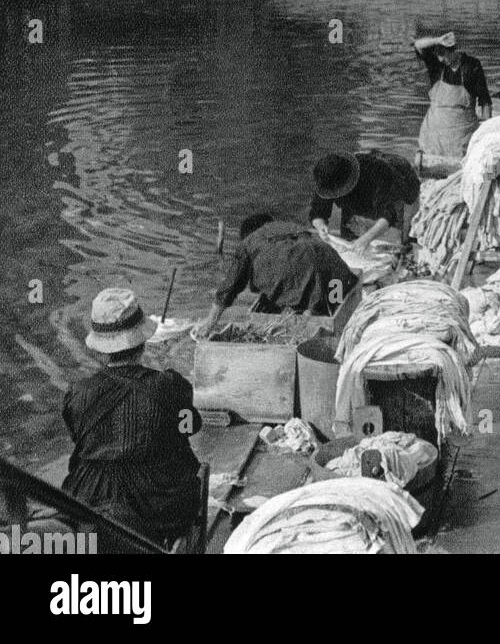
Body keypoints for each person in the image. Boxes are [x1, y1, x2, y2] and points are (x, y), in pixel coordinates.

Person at [62, 288, 202, 549]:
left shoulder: (77, 393)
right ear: (142, 339)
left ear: (102, 347)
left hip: (89, 496)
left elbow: (77, 436)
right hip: (156, 502)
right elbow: (190, 426)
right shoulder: (168, 385)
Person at [197, 213, 357, 337]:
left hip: (306, 276)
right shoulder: (287, 227)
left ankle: (311, 313)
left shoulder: (248, 242)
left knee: (300, 290)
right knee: (330, 299)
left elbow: (229, 287)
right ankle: (317, 311)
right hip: (337, 272)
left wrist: (209, 324)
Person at [309, 151, 421, 253]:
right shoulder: (326, 178)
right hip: (359, 200)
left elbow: (389, 213)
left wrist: (367, 238)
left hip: (401, 188)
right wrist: (320, 225)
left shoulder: (376, 171)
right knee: (350, 240)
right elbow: (318, 211)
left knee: (400, 243)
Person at [412, 31, 492, 160]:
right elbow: (418, 45)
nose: (441, 59)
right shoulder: (437, 65)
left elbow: (485, 101)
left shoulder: (471, 66)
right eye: (438, 55)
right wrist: (437, 40)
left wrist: (487, 133)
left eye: (443, 54)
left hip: (462, 135)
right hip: (434, 135)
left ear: (454, 50)